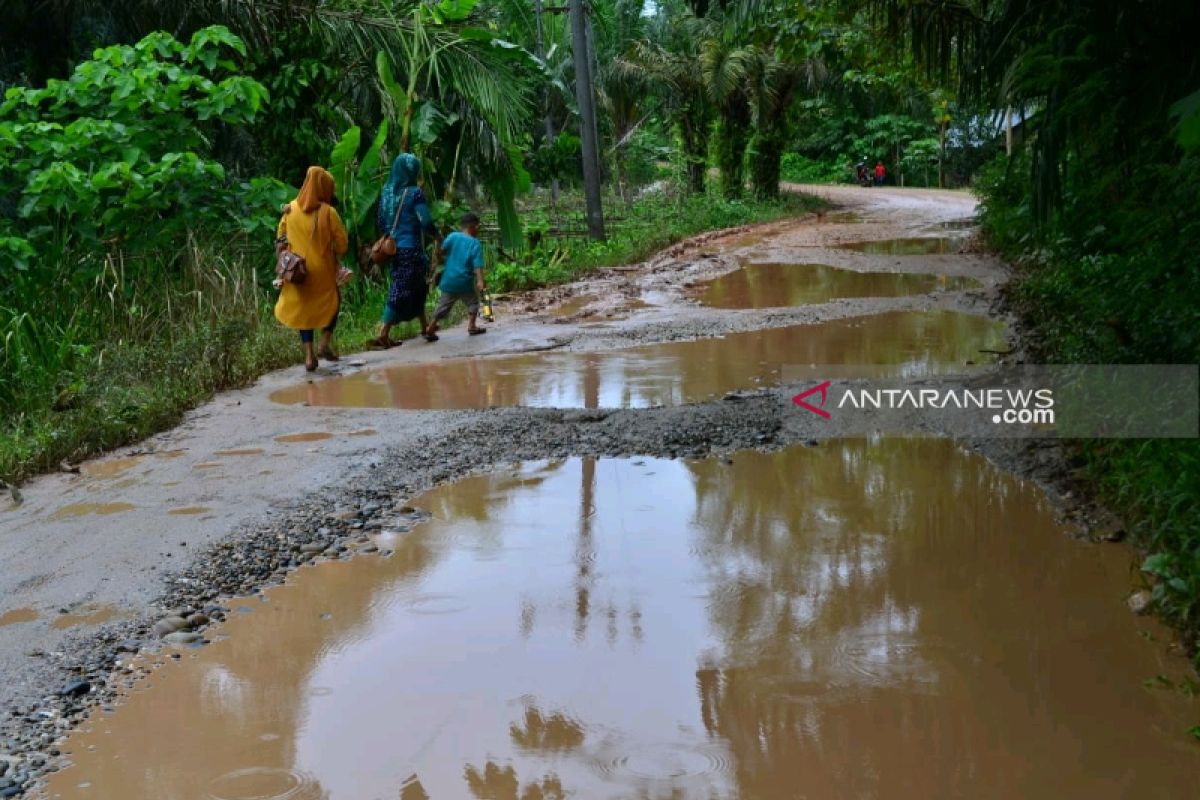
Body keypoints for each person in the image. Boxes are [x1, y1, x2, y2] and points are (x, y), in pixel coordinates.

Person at [274, 166, 348, 372]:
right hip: (323, 272)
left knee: (304, 310)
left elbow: (281, 235)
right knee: (333, 302)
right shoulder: (329, 212)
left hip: (298, 272)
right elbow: (342, 245)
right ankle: (324, 343)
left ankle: (309, 356)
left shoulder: (289, 209)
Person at [369, 153, 442, 348]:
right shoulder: (414, 193)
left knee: (418, 287)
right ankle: (383, 332)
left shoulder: (386, 192)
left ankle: (425, 327)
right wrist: (436, 236)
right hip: (411, 250)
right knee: (400, 290)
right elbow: (425, 221)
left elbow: (381, 221)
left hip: (394, 250)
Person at [422, 212, 487, 342]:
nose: (479, 229)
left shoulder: (453, 236)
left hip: (449, 281)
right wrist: (480, 281)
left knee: (443, 306)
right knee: (473, 302)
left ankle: (430, 328)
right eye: (478, 226)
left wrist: (439, 255)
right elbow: (477, 265)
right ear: (473, 227)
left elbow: (442, 251)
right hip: (465, 282)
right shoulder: (475, 244)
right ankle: (472, 326)